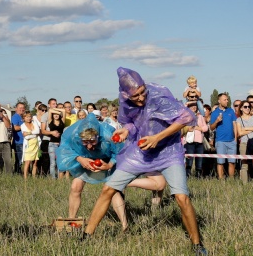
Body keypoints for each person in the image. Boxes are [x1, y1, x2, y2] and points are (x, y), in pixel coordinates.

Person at [83, 67, 207, 255]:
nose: (141, 98)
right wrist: (126, 131)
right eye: (136, 96)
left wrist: (158, 137)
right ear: (126, 94)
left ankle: (197, 245)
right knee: (108, 189)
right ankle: (86, 237)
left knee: (181, 197)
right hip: (142, 151)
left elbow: (187, 117)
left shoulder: (159, 96)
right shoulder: (125, 101)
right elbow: (131, 123)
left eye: (142, 92)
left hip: (169, 152)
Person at [57, 114, 165, 231]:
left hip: (109, 161)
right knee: (75, 186)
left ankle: (125, 226)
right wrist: (79, 158)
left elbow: (121, 152)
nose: (89, 146)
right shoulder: (73, 135)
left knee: (113, 190)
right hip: (84, 160)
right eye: (85, 142)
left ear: (98, 136)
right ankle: (71, 220)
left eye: (92, 142)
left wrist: (109, 165)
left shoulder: (109, 134)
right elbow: (64, 149)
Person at [210, 93, 237, 179]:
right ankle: (221, 181)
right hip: (220, 141)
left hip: (232, 141)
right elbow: (211, 127)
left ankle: (231, 180)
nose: (227, 101)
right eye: (225, 99)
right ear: (219, 101)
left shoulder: (231, 111)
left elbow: (235, 125)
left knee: (232, 162)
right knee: (220, 162)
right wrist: (217, 121)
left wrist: (235, 139)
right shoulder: (214, 113)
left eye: (227, 99)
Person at [236, 100, 253, 184]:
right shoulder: (238, 120)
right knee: (244, 165)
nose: (247, 108)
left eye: (249, 106)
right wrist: (252, 129)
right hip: (244, 143)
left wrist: (246, 128)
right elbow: (240, 133)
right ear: (241, 108)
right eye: (245, 107)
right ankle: (245, 185)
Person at [183, 101, 208, 178]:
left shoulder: (200, 117)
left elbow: (206, 128)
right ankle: (187, 176)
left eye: (195, 106)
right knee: (189, 161)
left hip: (199, 142)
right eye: (192, 106)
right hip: (189, 142)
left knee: (199, 161)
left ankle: (198, 177)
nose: (194, 107)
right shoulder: (185, 116)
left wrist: (198, 128)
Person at [20, 112, 40, 179]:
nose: (28, 118)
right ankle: (25, 178)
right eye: (27, 117)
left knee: (35, 162)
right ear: (24, 118)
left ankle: (34, 177)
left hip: (36, 144)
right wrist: (33, 134)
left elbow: (38, 131)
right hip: (28, 145)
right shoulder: (22, 125)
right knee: (27, 162)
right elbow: (26, 137)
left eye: (29, 117)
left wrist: (29, 133)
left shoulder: (34, 123)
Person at [48, 108, 65, 178]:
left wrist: (59, 112)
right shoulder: (50, 122)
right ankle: (53, 178)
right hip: (52, 144)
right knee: (53, 163)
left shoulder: (62, 122)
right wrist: (56, 111)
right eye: (55, 114)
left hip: (60, 144)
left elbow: (63, 111)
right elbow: (50, 110)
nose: (56, 115)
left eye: (58, 114)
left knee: (59, 162)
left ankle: (59, 177)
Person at [12, 102, 26, 174]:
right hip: (19, 142)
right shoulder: (15, 117)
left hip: (25, 141)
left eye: (23, 108)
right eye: (20, 108)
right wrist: (25, 126)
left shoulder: (24, 117)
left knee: (25, 159)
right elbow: (14, 127)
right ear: (16, 109)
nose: (22, 109)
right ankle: (17, 172)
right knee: (19, 159)